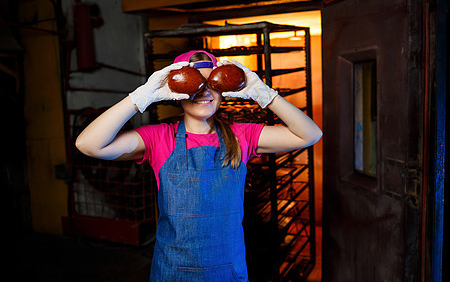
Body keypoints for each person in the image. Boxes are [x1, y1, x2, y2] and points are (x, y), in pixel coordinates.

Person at [75, 50, 322, 281]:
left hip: (229, 270)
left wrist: (263, 93)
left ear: (223, 90)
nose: (204, 91)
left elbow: (309, 135)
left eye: (212, 84)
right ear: (176, 94)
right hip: (173, 272)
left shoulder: (241, 136)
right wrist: (141, 97)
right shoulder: (160, 138)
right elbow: (89, 144)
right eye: (195, 84)